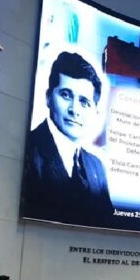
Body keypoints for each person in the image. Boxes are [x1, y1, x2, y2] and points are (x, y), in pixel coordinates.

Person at [22, 51, 112, 226]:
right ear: (48, 98)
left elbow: (107, 223)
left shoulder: (97, 167)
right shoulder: (29, 151)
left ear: (95, 112)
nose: (74, 110)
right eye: (66, 95)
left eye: (84, 102)